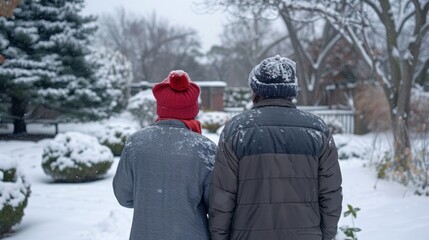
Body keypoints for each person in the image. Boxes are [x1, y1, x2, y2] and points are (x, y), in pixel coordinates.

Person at [209, 55, 342, 240]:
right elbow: (330, 193)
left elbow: (222, 197)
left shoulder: (237, 130)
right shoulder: (317, 129)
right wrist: (326, 235)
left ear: (256, 90)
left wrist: (219, 237)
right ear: (292, 90)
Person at [113, 70, 216, 240]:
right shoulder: (205, 148)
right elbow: (216, 205)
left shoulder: (136, 143)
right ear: (193, 110)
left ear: (160, 108)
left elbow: (124, 196)